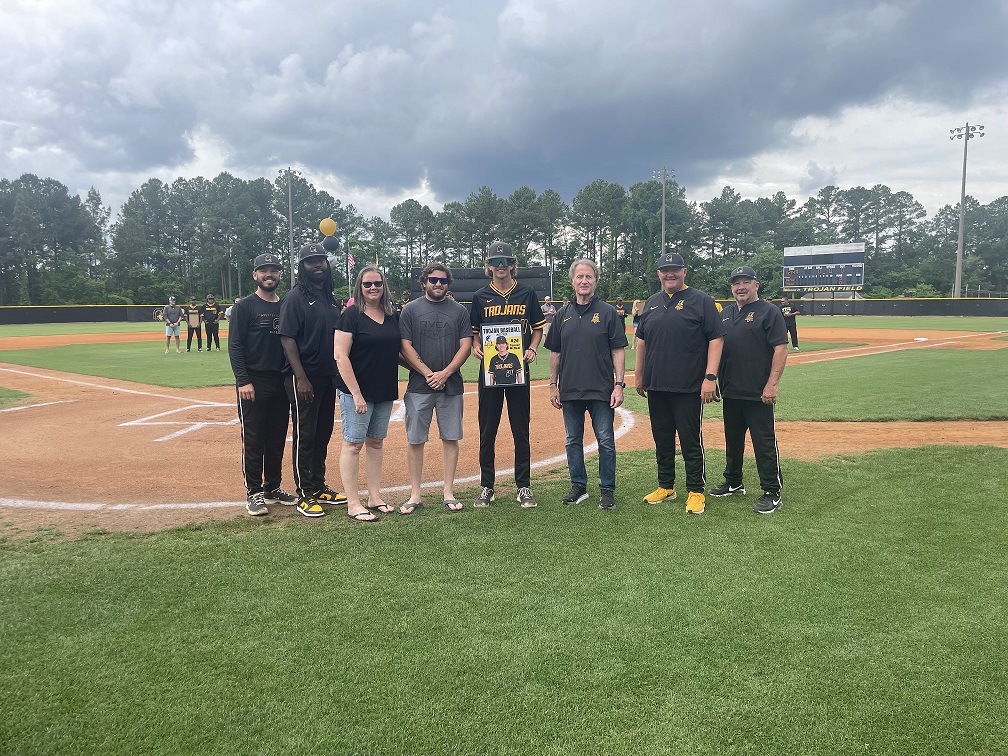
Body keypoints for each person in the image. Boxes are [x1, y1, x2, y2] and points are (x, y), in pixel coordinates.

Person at [635, 251, 724, 515]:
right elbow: (642, 342)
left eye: (675, 269)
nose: (669, 274)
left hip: (688, 386)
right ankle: (666, 486)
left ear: (684, 271)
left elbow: (716, 339)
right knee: (662, 439)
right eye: (664, 270)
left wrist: (710, 377)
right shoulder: (651, 302)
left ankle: (696, 490)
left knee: (689, 440)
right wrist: (639, 375)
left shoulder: (701, 301)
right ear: (658, 274)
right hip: (657, 385)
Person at [545, 259, 627, 511]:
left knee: (605, 440)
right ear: (572, 281)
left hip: (601, 389)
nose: (584, 281)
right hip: (570, 389)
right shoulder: (562, 315)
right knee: (572, 440)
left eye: (588, 277)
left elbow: (617, 350)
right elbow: (555, 353)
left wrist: (619, 384)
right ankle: (578, 485)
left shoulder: (608, 312)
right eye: (579, 277)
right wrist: (552, 384)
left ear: (595, 280)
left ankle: (607, 489)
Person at [469, 241, 545, 509]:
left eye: (505, 262)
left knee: (520, 428)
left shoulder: (526, 292)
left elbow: (537, 329)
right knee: (487, 430)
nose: (500, 267)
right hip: (490, 372)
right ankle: (486, 486)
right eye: (495, 262)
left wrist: (533, 349)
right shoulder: (480, 296)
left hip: (517, 370)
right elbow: (474, 332)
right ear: (488, 266)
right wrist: (476, 346)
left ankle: (523, 485)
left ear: (513, 265)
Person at [709, 266, 788, 514]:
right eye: (736, 283)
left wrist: (772, 384)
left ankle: (771, 491)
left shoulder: (769, 311)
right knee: (733, 441)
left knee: (763, 442)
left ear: (756, 285)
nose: (740, 287)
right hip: (731, 390)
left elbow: (781, 348)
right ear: (731, 288)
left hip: (758, 392)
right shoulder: (726, 313)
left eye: (746, 282)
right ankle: (734, 481)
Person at [279, 242, 348, 517]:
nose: (318, 265)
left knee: (323, 433)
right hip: (303, 377)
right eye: (311, 262)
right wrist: (301, 377)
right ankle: (304, 492)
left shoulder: (329, 298)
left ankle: (319, 486)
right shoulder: (295, 297)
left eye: (321, 260)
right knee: (305, 434)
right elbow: (287, 338)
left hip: (327, 375)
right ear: (302, 267)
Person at [399, 263, 473, 514]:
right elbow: (405, 346)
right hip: (419, 385)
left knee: (450, 437)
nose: (438, 284)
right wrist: (429, 373)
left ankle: (448, 491)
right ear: (424, 282)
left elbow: (466, 346)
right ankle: (415, 494)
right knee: (415, 439)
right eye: (433, 280)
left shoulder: (460, 312)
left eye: (443, 281)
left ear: (448, 284)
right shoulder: (410, 310)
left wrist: (445, 373)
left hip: (450, 385)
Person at [228, 253, 296, 516]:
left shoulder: (287, 305)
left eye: (274, 270)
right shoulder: (245, 306)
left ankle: (273, 487)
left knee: (277, 436)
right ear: (255, 275)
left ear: (280, 274)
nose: (270, 275)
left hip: (281, 381)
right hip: (253, 381)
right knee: (254, 438)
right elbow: (235, 345)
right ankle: (253, 492)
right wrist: (243, 380)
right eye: (264, 271)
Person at [334, 266, 403, 522]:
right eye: (367, 284)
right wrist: (356, 394)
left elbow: (395, 352)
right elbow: (340, 356)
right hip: (357, 392)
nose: (372, 288)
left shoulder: (391, 315)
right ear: (359, 287)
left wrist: (424, 369)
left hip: (384, 389)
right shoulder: (351, 315)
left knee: (376, 442)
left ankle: (374, 497)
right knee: (353, 444)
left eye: (377, 283)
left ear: (384, 286)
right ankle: (353, 503)